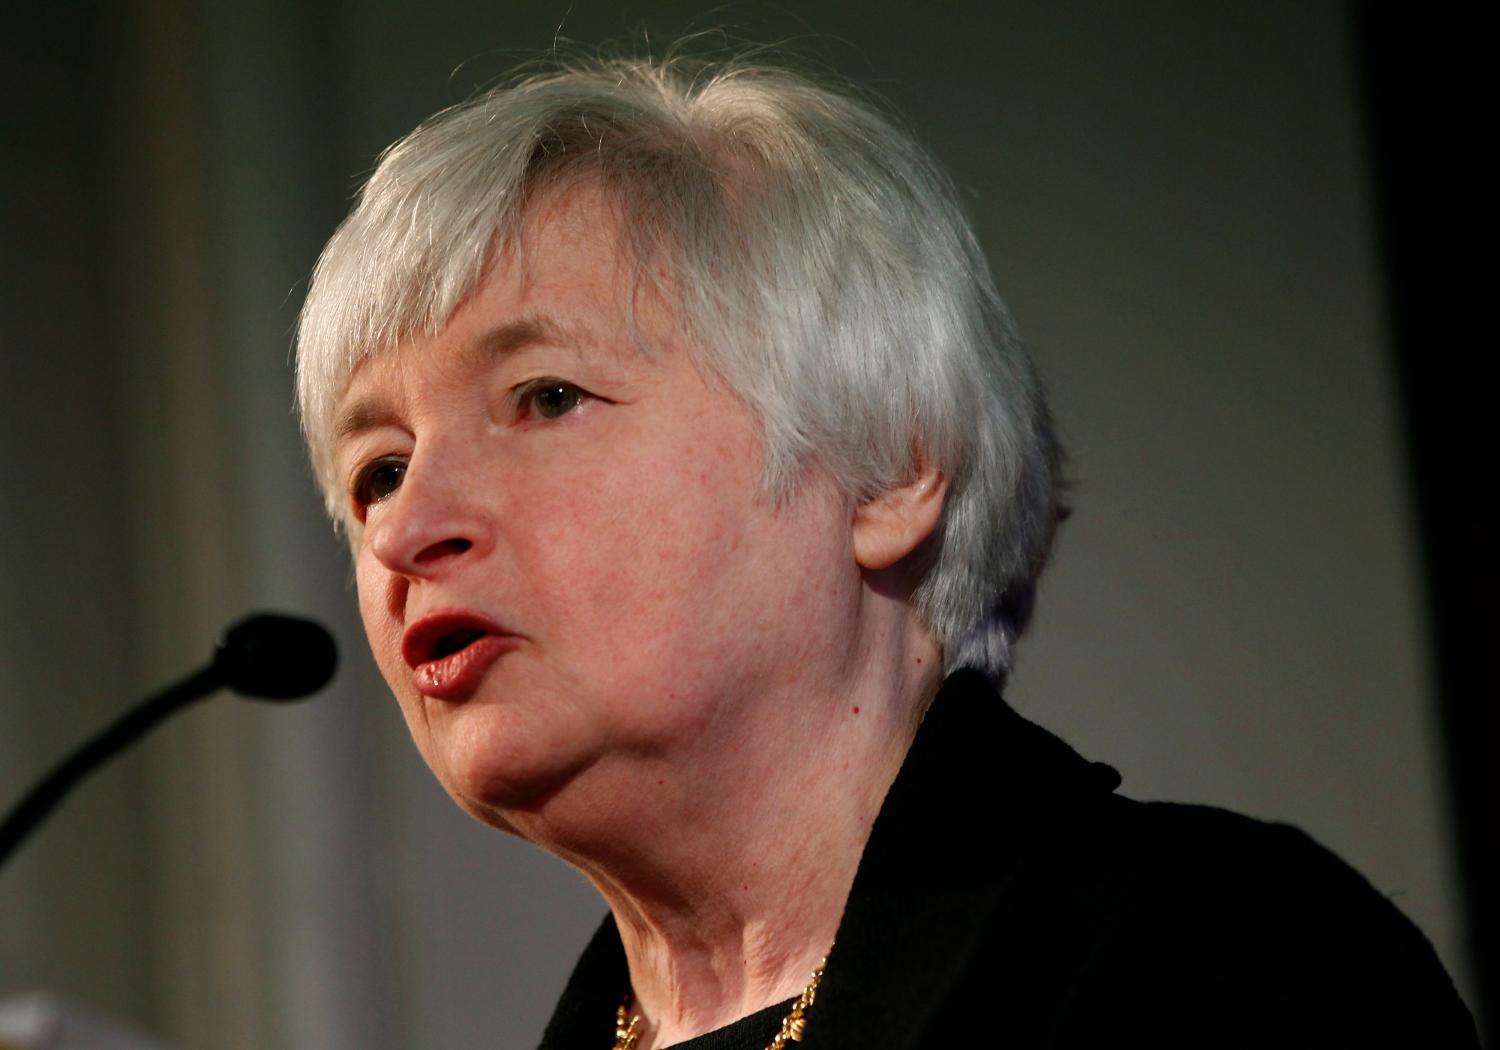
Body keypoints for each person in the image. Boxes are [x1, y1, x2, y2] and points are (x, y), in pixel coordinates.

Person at [295, 51, 1477, 1049]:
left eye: (547, 397)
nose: (405, 526)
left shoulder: (1224, 970)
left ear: (890, 470)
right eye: (377, 469)